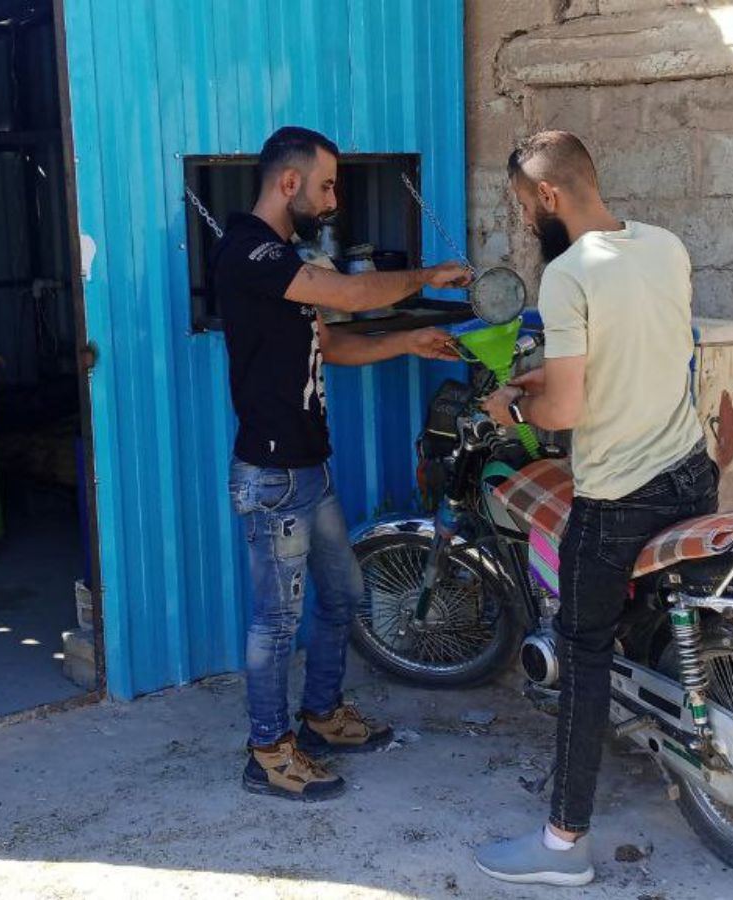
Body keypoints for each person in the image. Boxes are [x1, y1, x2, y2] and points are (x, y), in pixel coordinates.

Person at [474, 131, 720, 885]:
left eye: (523, 206)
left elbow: (569, 409)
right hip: (691, 473)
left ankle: (563, 846)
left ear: (548, 197)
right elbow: (645, 351)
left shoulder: (567, 274)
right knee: (656, 622)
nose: (526, 221)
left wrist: (510, 409)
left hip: (620, 498)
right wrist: (541, 382)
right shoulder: (664, 245)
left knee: (583, 653)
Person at [211, 126, 472, 802]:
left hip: (310, 468)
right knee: (275, 622)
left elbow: (330, 342)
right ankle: (268, 751)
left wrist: (409, 340)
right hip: (273, 478)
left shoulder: (285, 259)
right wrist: (424, 277)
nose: (332, 200)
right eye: (326, 185)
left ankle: (321, 716)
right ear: (289, 182)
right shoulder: (250, 250)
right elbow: (348, 296)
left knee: (345, 596)